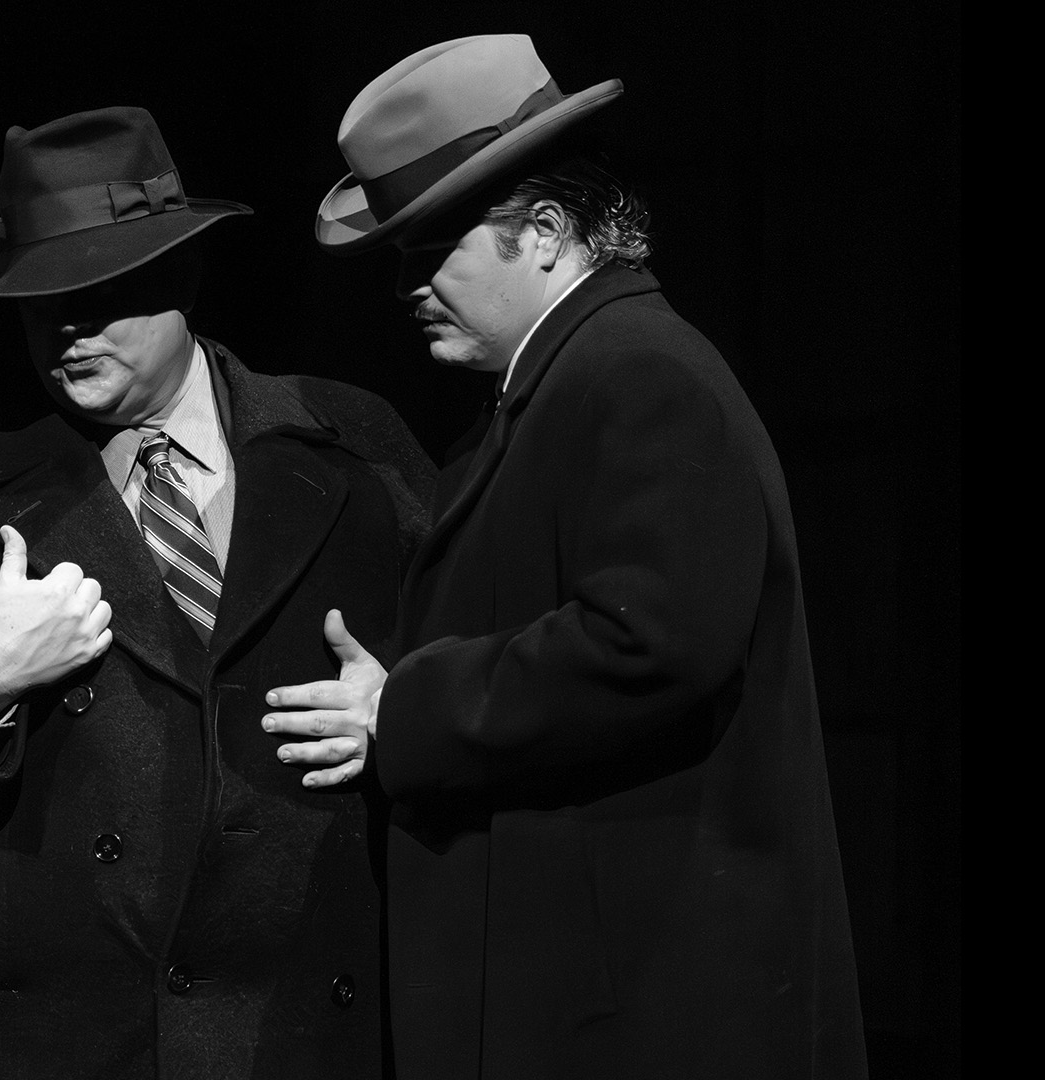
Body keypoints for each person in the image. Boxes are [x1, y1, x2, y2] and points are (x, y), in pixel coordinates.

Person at [262, 33, 869, 1078]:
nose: (406, 285)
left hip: (645, 1001)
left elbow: (651, 642)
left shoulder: (638, 375)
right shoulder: (551, 385)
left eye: (431, 247)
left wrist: (406, 709)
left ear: (543, 234)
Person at [0, 106, 436, 1080]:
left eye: (97, 293)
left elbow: (482, 653)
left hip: (302, 1020)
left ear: (182, 279)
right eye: (38, 301)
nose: (66, 327)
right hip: (71, 1037)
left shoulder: (351, 444)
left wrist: (403, 711)